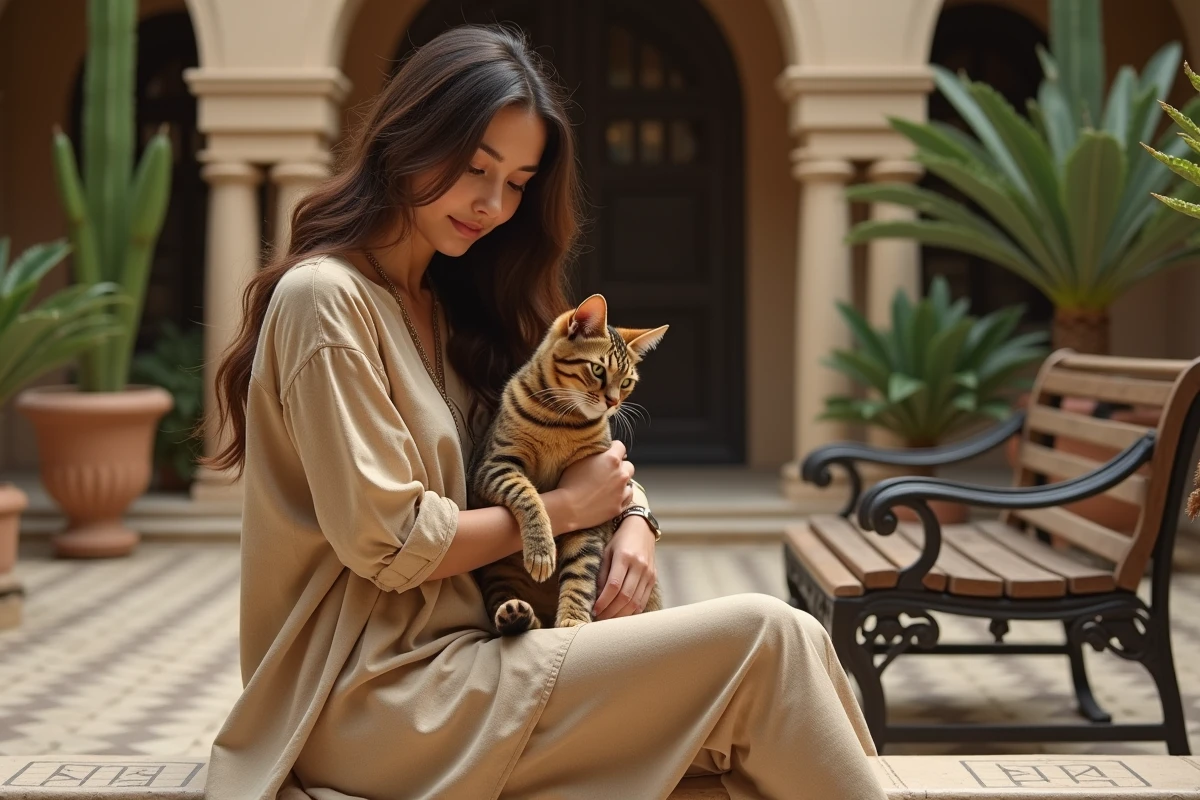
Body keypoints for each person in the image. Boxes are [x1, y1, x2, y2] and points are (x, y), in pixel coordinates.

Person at [201, 24, 886, 800]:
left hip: (484, 653)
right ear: (408, 139)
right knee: (770, 639)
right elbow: (391, 543)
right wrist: (565, 511)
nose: (493, 204)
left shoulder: (454, 304)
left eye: (519, 182)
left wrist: (635, 519)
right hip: (373, 698)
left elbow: (568, 447)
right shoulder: (325, 302)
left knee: (767, 715)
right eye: (475, 167)